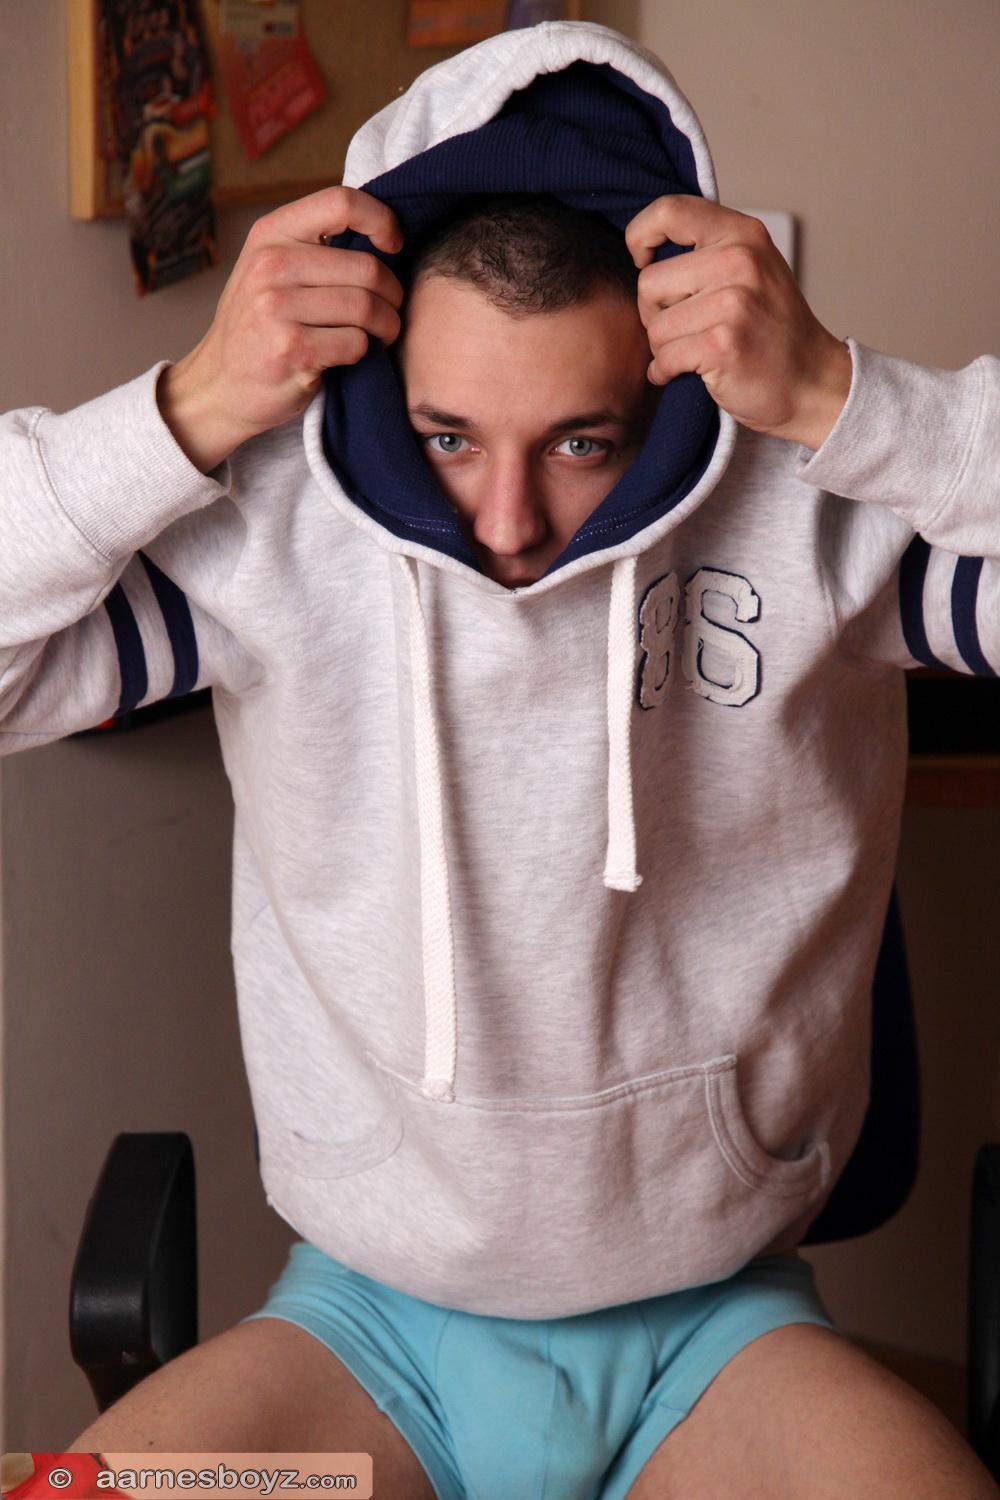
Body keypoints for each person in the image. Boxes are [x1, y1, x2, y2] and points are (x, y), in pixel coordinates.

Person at [3, 19, 998, 1500]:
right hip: (363, 1335)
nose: (511, 523)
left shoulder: (813, 511)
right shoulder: (274, 527)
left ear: (669, 388)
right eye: (450, 438)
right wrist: (191, 405)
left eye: (582, 442)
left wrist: (849, 399)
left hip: (717, 1332)